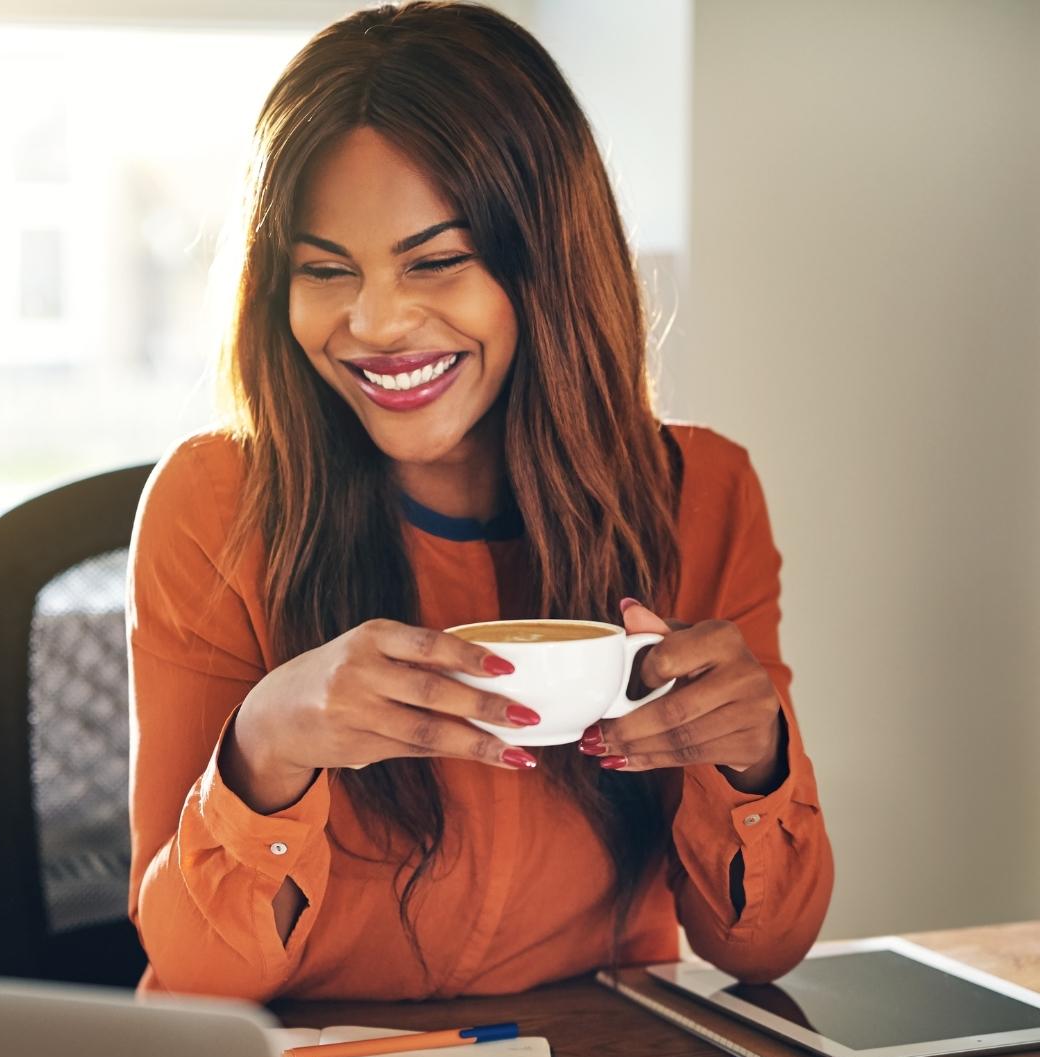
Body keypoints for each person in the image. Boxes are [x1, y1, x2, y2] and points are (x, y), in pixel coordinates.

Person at [125, 0, 832, 1001]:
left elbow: (762, 949)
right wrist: (264, 744)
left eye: (436, 262)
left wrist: (753, 760)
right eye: (325, 271)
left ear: (544, 262)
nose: (372, 322)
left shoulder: (698, 494)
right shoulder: (212, 505)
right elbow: (197, 978)